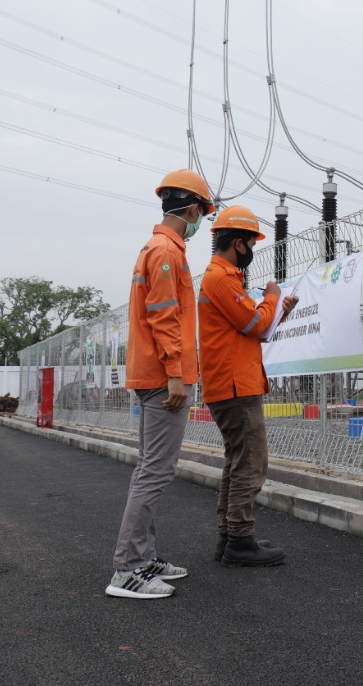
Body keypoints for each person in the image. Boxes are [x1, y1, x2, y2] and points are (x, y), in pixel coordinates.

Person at [105, 169, 212, 600]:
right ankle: (128, 569)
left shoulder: (155, 248)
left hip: (152, 373)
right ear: (190, 210)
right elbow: (164, 316)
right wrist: (175, 374)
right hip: (162, 376)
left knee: (148, 467)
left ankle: (143, 557)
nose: (202, 221)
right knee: (156, 470)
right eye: (203, 212)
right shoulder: (167, 251)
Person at [198, 205, 298, 567]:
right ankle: (240, 539)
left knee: (237, 460)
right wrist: (273, 296)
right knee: (251, 463)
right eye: (252, 242)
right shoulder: (221, 278)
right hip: (235, 387)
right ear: (239, 244)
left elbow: (250, 329)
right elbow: (255, 322)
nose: (253, 249)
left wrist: (278, 311)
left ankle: (230, 535)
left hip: (232, 382)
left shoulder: (222, 278)